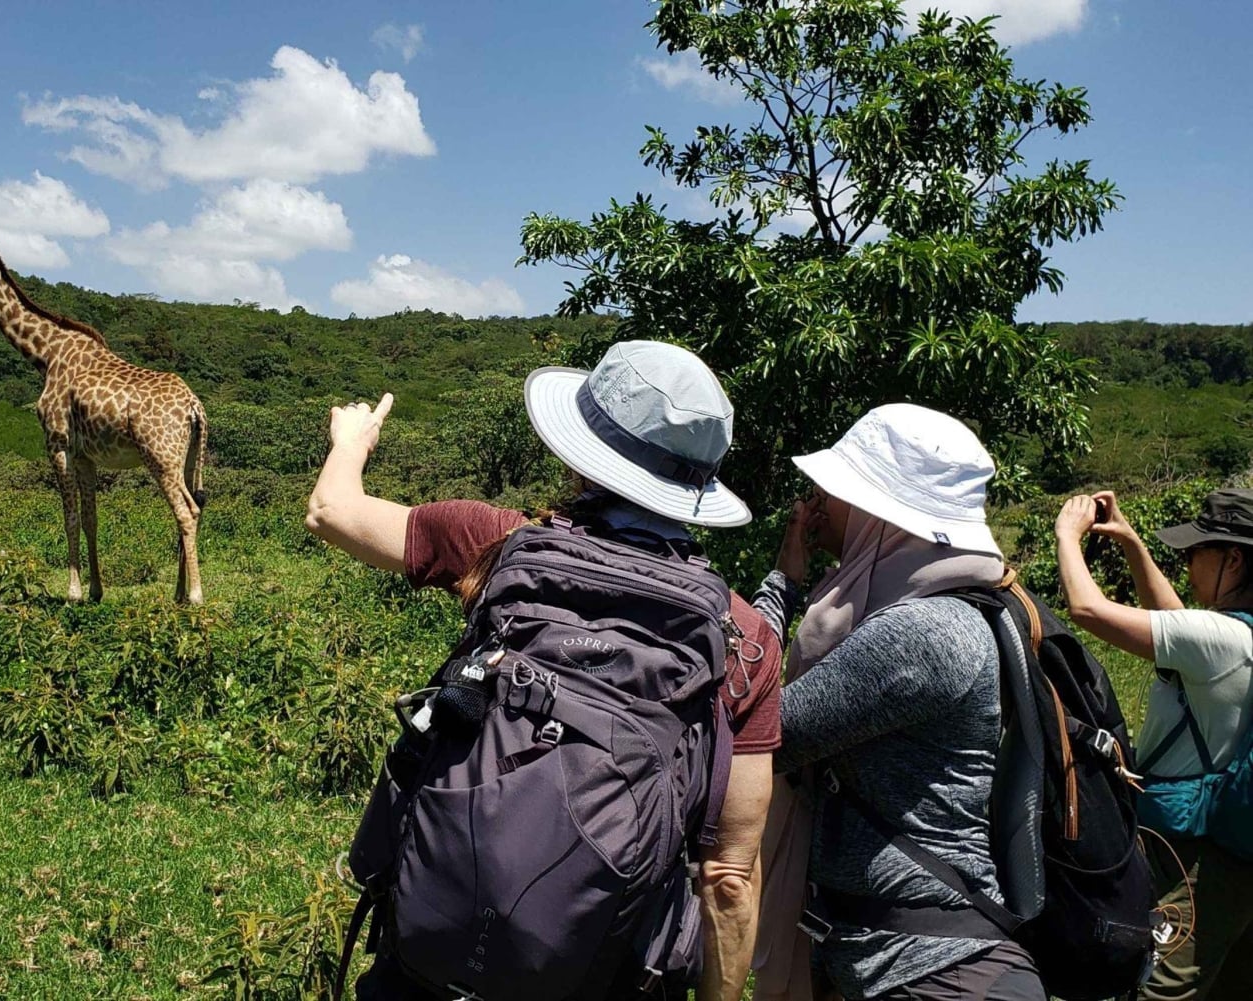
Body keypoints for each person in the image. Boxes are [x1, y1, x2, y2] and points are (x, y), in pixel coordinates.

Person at [305, 340, 783, 1001]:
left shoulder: (496, 541)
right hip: (605, 973)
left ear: (579, 452)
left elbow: (332, 511)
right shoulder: (743, 638)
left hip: (430, 966)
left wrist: (351, 440)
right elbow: (729, 876)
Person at [759, 403, 1045, 1001]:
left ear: (881, 514)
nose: (817, 502)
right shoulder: (953, 609)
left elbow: (766, 736)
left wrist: (778, 589)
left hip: (933, 972)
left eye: (837, 490)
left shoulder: (922, 633)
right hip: (918, 964)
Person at [1055, 488, 1253, 1000]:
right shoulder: (1236, 639)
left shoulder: (1221, 641)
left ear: (1232, 559)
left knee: (1157, 994)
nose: (1186, 564)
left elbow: (1087, 608)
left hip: (1196, 859)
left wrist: (1067, 536)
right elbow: (1177, 620)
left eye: (1195, 553)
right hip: (1235, 845)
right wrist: (1130, 543)